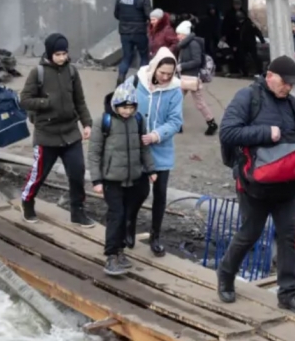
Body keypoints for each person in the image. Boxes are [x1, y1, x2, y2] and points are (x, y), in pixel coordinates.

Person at [216, 56, 295, 316]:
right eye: (285, 83)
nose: (288, 89)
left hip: (286, 183)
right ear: (270, 76)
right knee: (250, 233)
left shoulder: (292, 104)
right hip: (253, 182)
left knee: (289, 235)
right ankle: (226, 274)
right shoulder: (247, 97)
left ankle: (288, 292)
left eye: (292, 85)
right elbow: (227, 132)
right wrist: (265, 132)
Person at [18, 33, 95, 227]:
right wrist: (46, 102)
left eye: (64, 53)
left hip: (70, 133)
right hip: (47, 135)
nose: (62, 58)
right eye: (58, 54)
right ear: (50, 53)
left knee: (77, 173)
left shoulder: (72, 72)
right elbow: (24, 99)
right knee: (39, 175)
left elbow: (80, 100)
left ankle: (77, 211)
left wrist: (87, 124)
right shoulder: (38, 73)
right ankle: (27, 202)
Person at [88, 81, 156, 276]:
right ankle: (111, 255)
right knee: (116, 215)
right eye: (123, 107)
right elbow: (94, 153)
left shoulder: (138, 120)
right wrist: (97, 180)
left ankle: (120, 251)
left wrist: (151, 170)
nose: (127, 111)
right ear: (115, 105)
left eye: (131, 107)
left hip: (133, 178)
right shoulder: (103, 122)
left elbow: (144, 148)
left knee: (127, 215)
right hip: (111, 180)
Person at [128, 48, 184, 256]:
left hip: (161, 149)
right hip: (138, 148)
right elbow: (121, 104)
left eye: (170, 74)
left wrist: (156, 135)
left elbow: (175, 121)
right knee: (138, 192)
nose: (166, 77)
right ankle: (129, 227)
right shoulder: (136, 82)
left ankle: (156, 235)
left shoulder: (175, 91)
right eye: (163, 73)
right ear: (154, 68)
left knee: (160, 194)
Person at [174, 20, 218, 136]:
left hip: (191, 78)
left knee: (199, 103)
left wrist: (181, 66)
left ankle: (211, 122)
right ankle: (178, 125)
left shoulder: (192, 44)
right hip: (186, 77)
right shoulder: (185, 44)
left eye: (178, 34)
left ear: (184, 34)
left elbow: (197, 61)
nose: (177, 36)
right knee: (176, 101)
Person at [114, 0, 152, 86]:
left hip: (124, 32)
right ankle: (140, 81)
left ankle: (121, 77)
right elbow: (149, 15)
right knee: (144, 56)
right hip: (140, 32)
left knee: (126, 56)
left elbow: (116, 14)